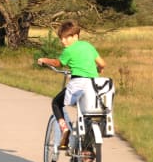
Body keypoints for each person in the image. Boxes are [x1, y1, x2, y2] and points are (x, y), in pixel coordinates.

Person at [36, 20, 106, 149]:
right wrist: (99, 69)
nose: (63, 41)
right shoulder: (88, 46)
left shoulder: (69, 50)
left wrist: (44, 60)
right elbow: (102, 63)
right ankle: (87, 150)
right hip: (94, 85)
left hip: (78, 83)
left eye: (66, 38)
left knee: (56, 103)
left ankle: (64, 129)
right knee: (87, 114)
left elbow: (58, 63)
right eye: (61, 38)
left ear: (75, 36)